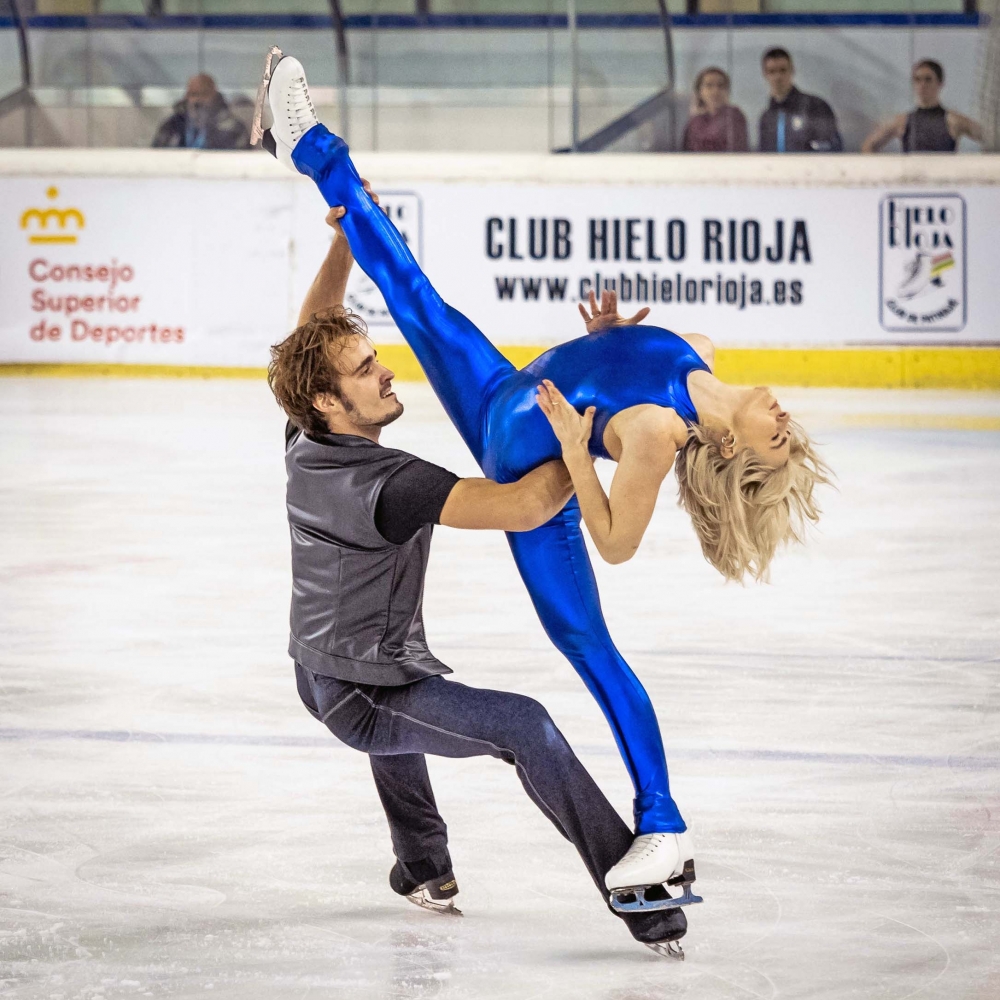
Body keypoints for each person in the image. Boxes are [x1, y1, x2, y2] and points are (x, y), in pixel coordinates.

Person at [255, 48, 829, 914]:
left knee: (591, 650)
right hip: (497, 392)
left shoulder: (654, 435)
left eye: (776, 445)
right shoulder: (698, 354)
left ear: (738, 455)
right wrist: (602, 342)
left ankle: (662, 820)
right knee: (406, 285)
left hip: (529, 467)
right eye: (791, 432)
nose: (783, 422)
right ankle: (299, 150)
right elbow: (618, 365)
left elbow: (615, 543)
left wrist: (570, 445)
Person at [266, 193, 691, 960]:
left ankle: (423, 867)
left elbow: (307, 339)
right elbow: (528, 505)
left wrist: (341, 252)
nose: (387, 371)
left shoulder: (305, 435)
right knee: (519, 725)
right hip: (359, 690)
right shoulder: (394, 484)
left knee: (400, 710)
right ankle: (640, 899)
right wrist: (591, 415)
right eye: (366, 370)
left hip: (330, 664)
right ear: (331, 401)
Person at [861, 59, 982, 154]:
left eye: (928, 80)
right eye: (917, 80)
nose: (922, 85)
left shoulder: (954, 121)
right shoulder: (902, 122)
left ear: (940, 83)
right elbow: (869, 146)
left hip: (945, 182)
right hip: (913, 182)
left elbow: (990, 139)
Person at [758, 47, 842, 153]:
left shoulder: (815, 106)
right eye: (772, 72)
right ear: (765, 75)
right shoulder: (767, 118)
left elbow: (830, 147)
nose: (778, 77)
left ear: (792, 71)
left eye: (783, 70)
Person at [152, 73, 249, 150]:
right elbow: (155, 158)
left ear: (214, 97)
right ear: (186, 96)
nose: (197, 100)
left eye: (204, 94)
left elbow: (242, 162)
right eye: (193, 94)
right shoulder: (171, 126)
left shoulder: (233, 129)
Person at [682, 66, 749, 153]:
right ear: (699, 91)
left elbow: (737, 151)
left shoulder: (733, 116)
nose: (715, 91)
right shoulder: (694, 121)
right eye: (709, 86)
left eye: (720, 86)